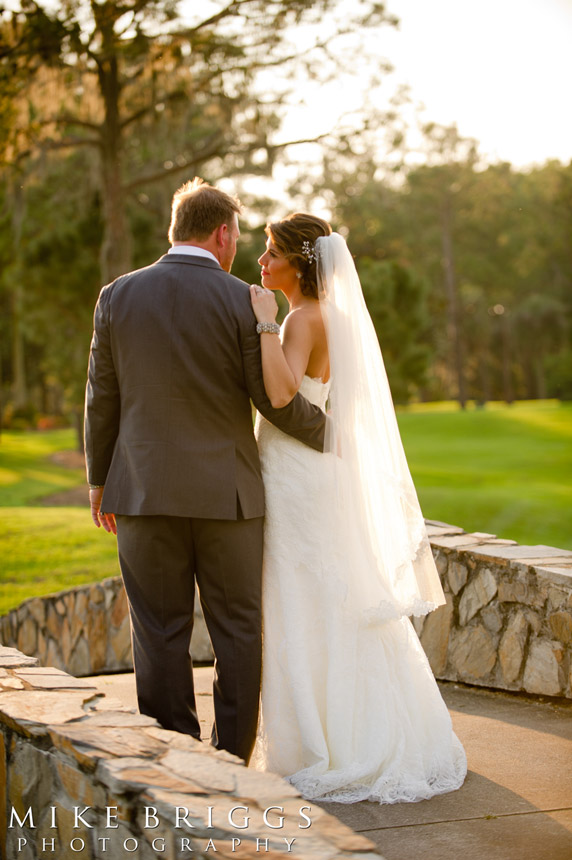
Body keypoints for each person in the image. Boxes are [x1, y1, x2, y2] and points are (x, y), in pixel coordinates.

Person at [84, 180, 326, 764]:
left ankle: (179, 764)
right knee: (238, 630)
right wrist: (337, 436)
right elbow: (273, 400)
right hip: (230, 499)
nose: (240, 248)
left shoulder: (116, 296)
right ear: (221, 233)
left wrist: (99, 481)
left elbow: (102, 397)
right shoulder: (242, 299)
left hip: (142, 494)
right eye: (239, 237)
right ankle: (234, 762)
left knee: (160, 633)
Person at [249, 213, 467, 803]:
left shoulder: (298, 319)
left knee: (298, 599)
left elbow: (281, 393)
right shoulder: (338, 318)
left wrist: (265, 327)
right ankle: (372, 729)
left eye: (271, 254)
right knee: (333, 596)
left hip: (294, 475)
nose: (262, 263)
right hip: (319, 475)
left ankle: (321, 745)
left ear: (300, 262)